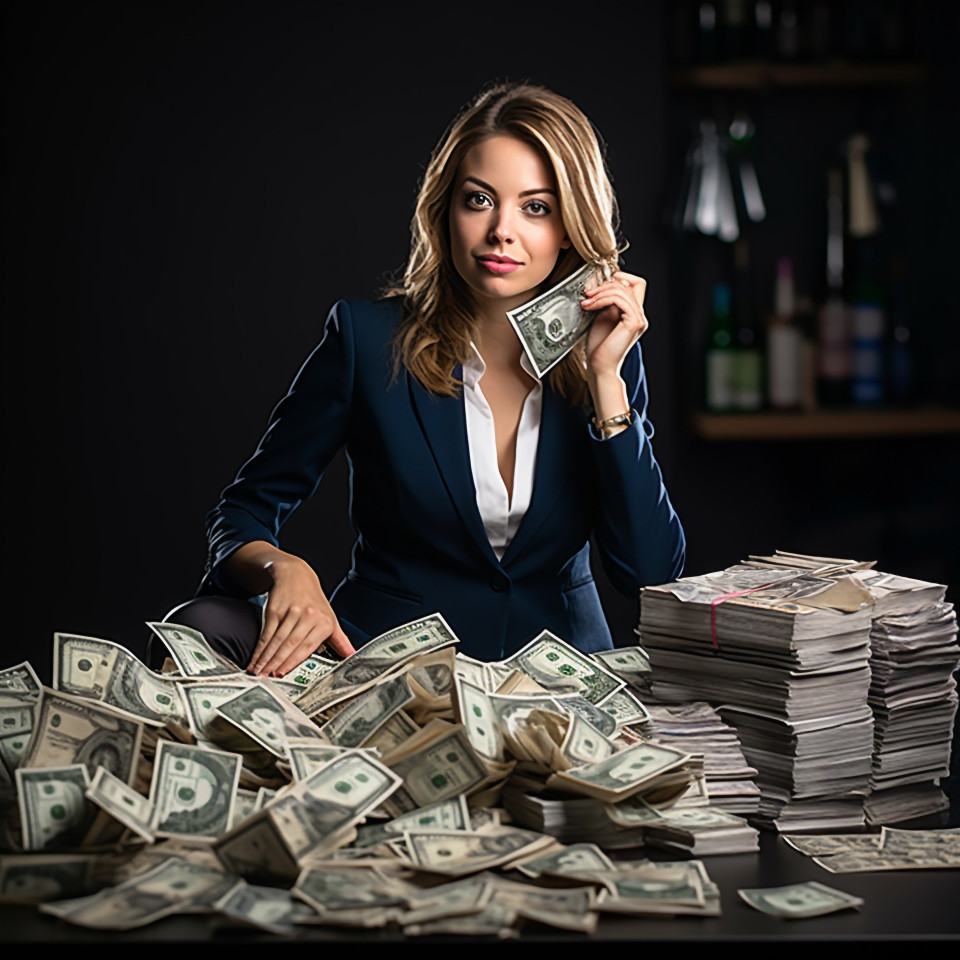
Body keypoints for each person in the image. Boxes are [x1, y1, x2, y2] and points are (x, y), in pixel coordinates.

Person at [153, 81, 685, 675]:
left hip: (555, 682)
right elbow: (241, 513)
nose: (501, 230)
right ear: (445, 210)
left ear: (569, 225)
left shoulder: (607, 353)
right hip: (390, 672)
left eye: (535, 207)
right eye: (479, 200)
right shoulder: (366, 340)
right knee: (203, 623)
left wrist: (606, 381)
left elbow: (651, 575)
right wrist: (286, 569)